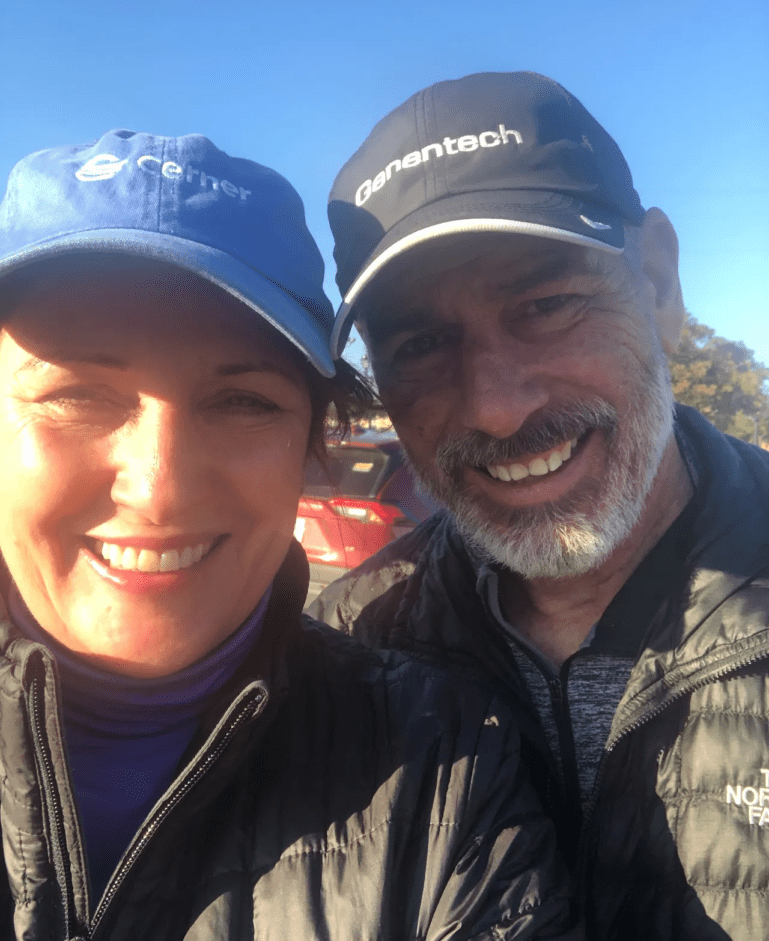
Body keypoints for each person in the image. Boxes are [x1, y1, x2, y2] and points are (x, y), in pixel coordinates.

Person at [0, 129, 582, 940]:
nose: (159, 488)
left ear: (311, 446)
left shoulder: (439, 766)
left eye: (243, 403)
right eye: (76, 395)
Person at [309, 71, 769, 941]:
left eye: (546, 304)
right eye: (420, 342)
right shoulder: (344, 649)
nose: (495, 406)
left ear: (660, 283)